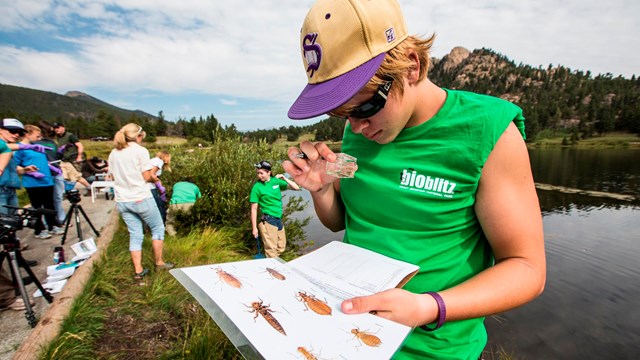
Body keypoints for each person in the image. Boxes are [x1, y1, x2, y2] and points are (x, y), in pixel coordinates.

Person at [282, 1, 546, 358]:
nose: (355, 125)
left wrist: (428, 307)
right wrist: (323, 188)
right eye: (341, 112)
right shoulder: (357, 132)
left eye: (364, 108)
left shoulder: (489, 132)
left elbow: (526, 268)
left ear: (411, 65)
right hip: (346, 336)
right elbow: (340, 221)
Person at [108, 123, 173, 280]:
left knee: (135, 234)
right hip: (140, 197)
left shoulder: (113, 153)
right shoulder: (140, 151)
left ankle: (138, 270)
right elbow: (146, 177)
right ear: (139, 136)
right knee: (158, 228)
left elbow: (111, 177)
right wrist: (156, 179)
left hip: (123, 200)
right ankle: (159, 263)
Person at [14, 125, 64, 238]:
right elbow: (16, 165)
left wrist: (52, 168)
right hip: (33, 182)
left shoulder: (37, 147)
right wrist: (27, 170)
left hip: (46, 180)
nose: (39, 138)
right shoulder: (19, 148)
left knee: (49, 205)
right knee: (37, 207)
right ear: (27, 134)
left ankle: (53, 225)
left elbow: (43, 160)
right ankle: (39, 229)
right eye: (37, 135)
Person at [250, 160, 300, 258]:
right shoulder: (257, 187)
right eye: (258, 173)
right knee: (271, 250)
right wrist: (254, 227)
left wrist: (284, 178)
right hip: (267, 220)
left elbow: (296, 187)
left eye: (261, 173)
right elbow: (254, 209)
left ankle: (270, 263)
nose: (259, 175)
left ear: (269, 172)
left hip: (278, 218)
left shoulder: (275, 181)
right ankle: (272, 267)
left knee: (281, 247)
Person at [35, 121, 66, 226]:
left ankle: (61, 219)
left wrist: (61, 153)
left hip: (56, 172)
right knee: (46, 200)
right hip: (44, 173)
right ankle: (47, 222)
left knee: (58, 197)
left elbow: (56, 156)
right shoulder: (35, 144)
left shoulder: (52, 143)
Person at [148, 151, 171, 223]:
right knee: (160, 206)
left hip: (146, 187)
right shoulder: (159, 162)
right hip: (151, 187)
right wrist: (159, 185)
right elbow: (152, 174)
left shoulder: (153, 160)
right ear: (166, 156)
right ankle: (161, 224)